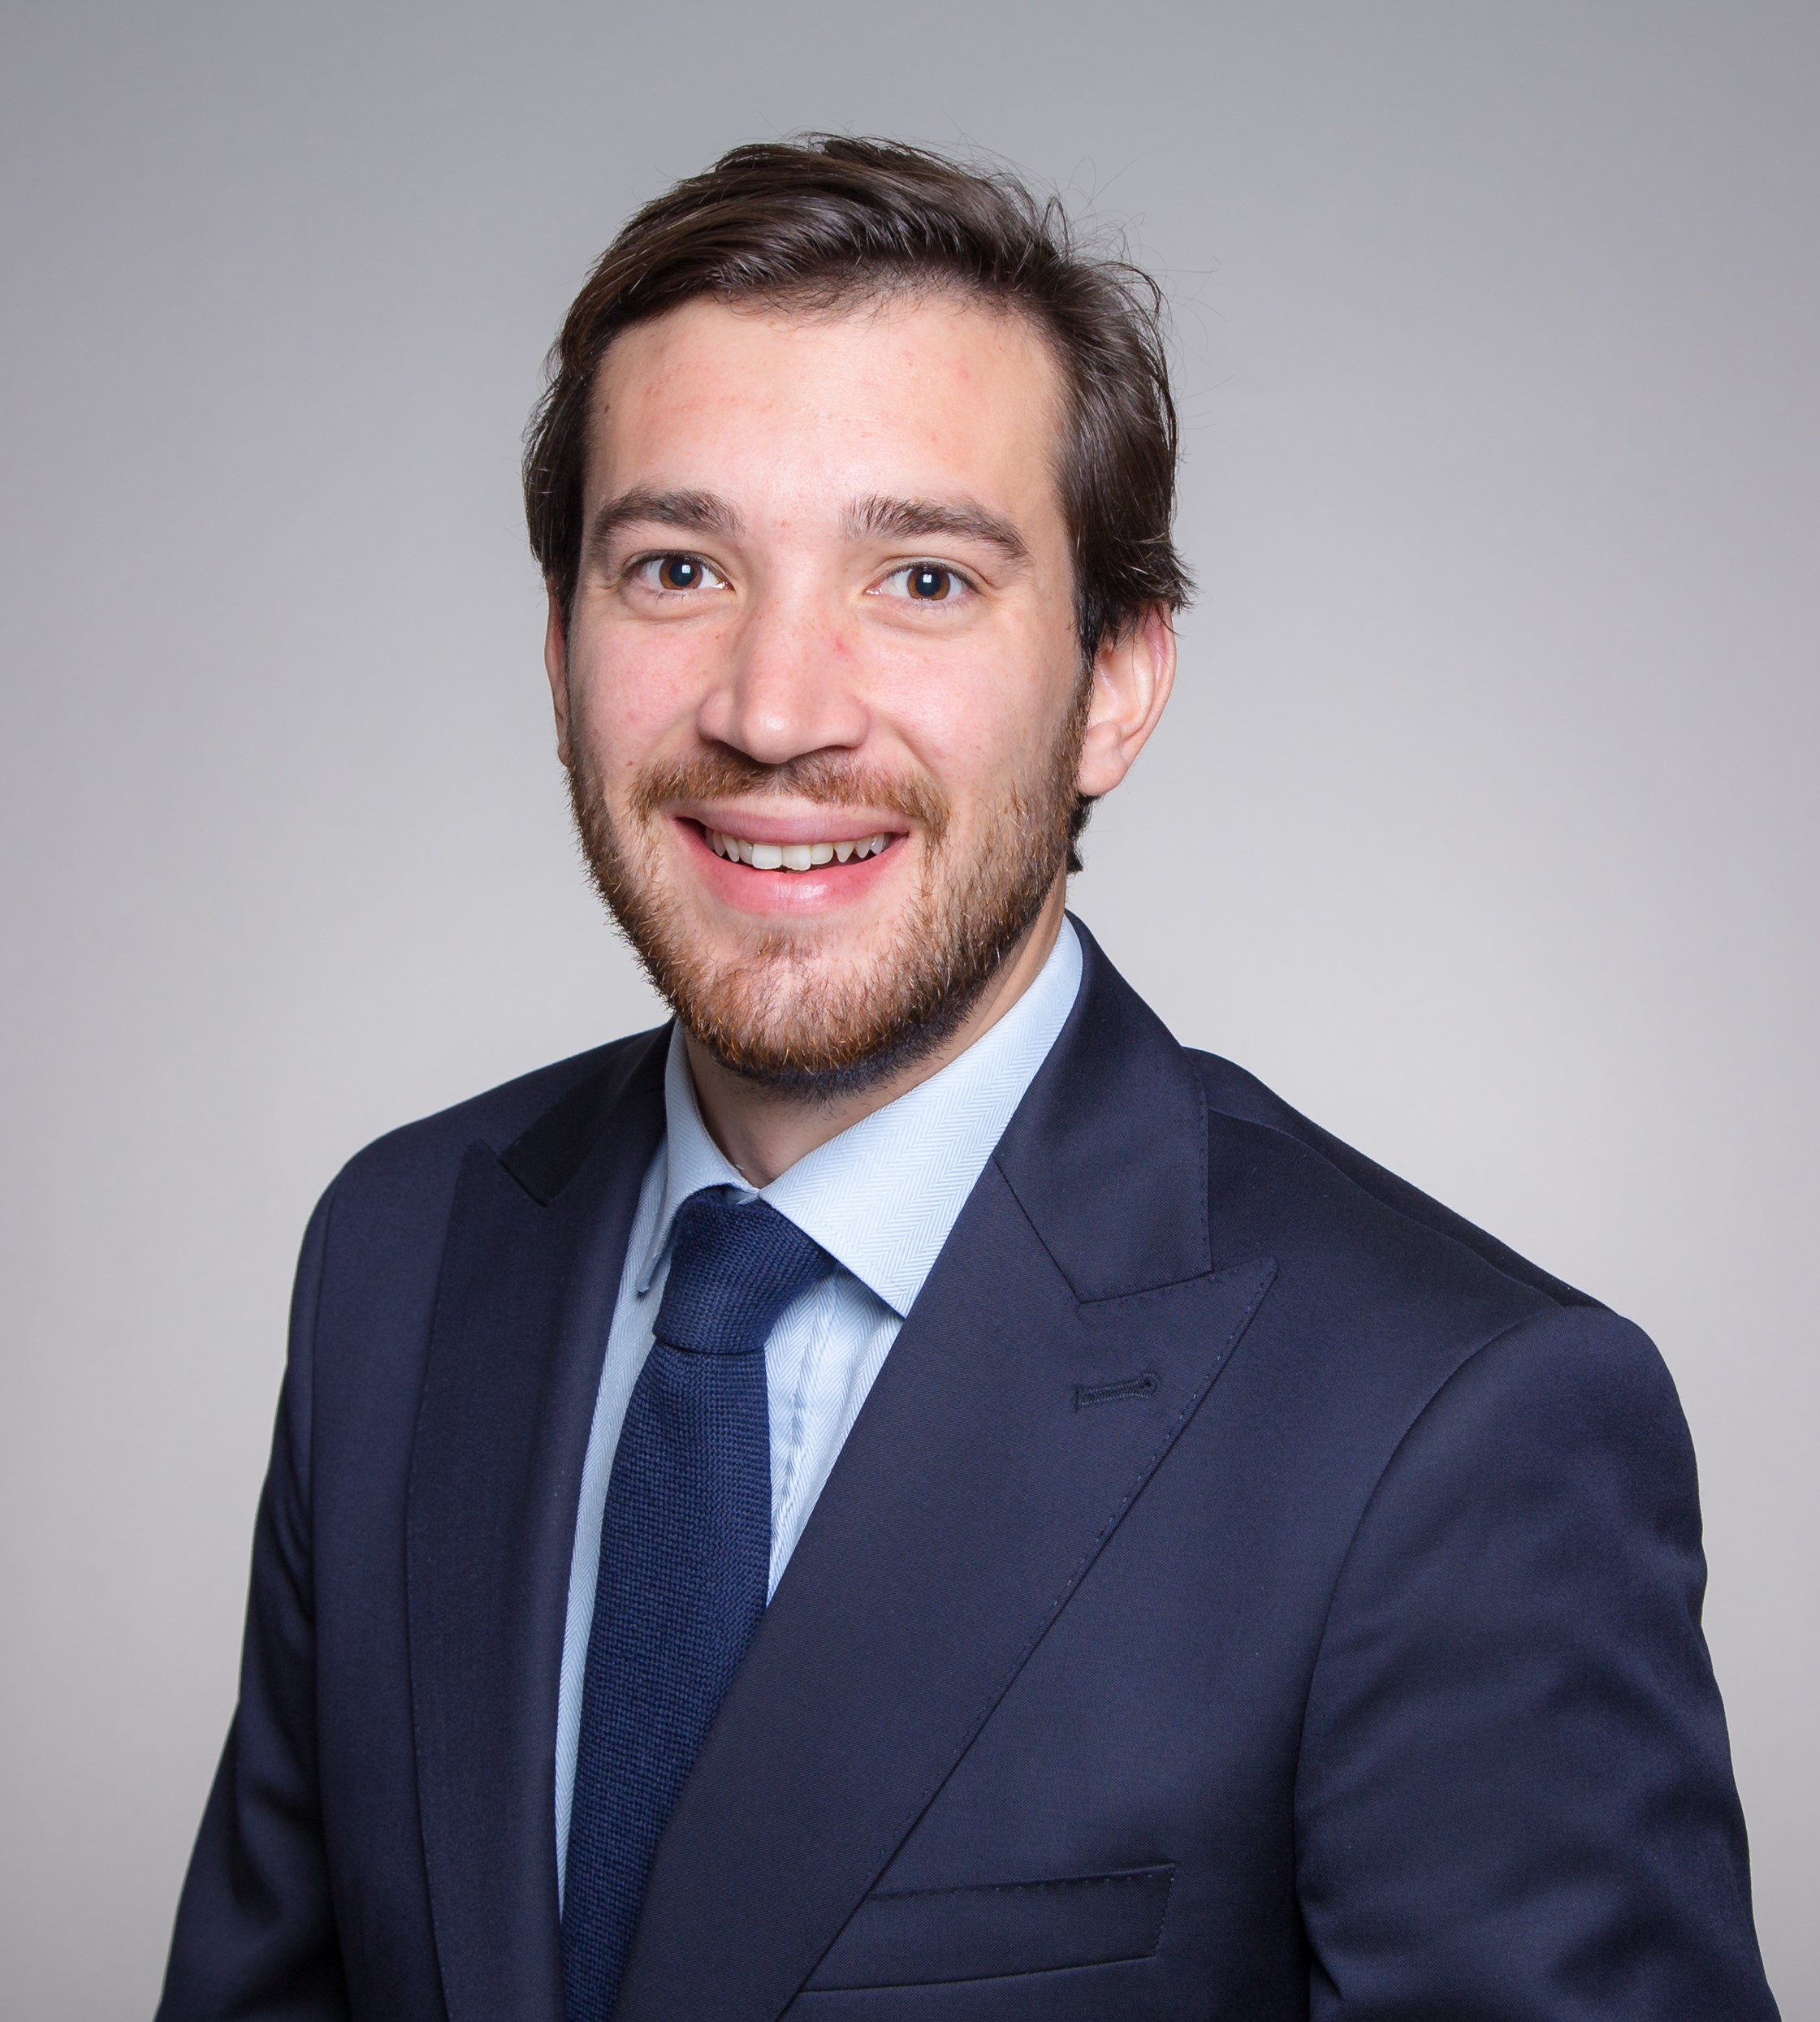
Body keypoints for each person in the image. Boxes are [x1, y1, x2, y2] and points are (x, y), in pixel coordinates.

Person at [156, 136, 1779, 2021]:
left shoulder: (1453, 1429)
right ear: (557, 647)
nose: (774, 710)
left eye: (920, 579)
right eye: (676, 568)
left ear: (1114, 685)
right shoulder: (399, 1256)